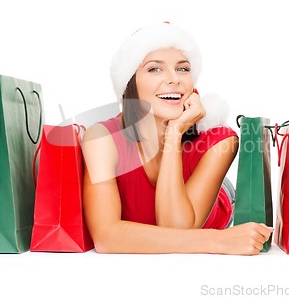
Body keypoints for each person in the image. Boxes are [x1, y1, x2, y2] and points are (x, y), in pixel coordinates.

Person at [82, 22, 272, 255]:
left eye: (183, 69)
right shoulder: (102, 138)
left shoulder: (220, 140)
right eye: (155, 69)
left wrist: (175, 133)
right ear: (130, 83)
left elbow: (175, 226)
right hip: (208, 229)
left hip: (215, 202)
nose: (174, 79)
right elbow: (106, 237)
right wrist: (218, 241)